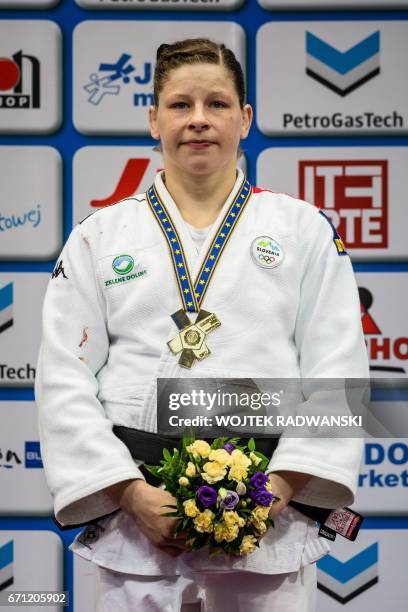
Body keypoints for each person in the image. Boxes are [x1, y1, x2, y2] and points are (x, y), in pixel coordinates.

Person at [35, 38, 369, 611]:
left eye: (216, 104)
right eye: (180, 105)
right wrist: (131, 493)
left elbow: (336, 367)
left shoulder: (302, 229)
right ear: (153, 119)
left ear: (244, 120)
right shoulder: (100, 235)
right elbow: (63, 376)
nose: (198, 120)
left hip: (268, 520)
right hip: (139, 523)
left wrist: (279, 489)